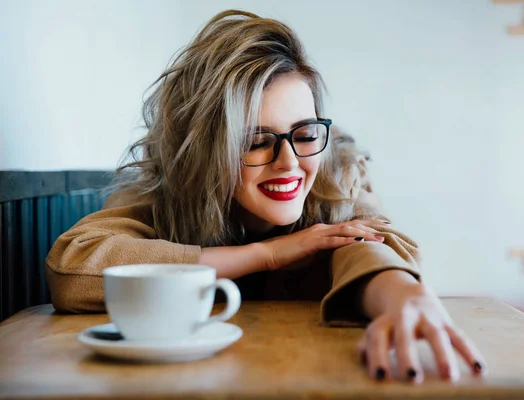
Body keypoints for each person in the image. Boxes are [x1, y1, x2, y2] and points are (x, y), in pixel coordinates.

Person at [46, 9, 486, 383]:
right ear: (205, 150)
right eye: (256, 140)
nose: (290, 162)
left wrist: (402, 296)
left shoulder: (341, 174)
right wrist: (267, 254)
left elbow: (369, 246)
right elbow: (75, 268)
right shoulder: (164, 191)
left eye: (305, 133)